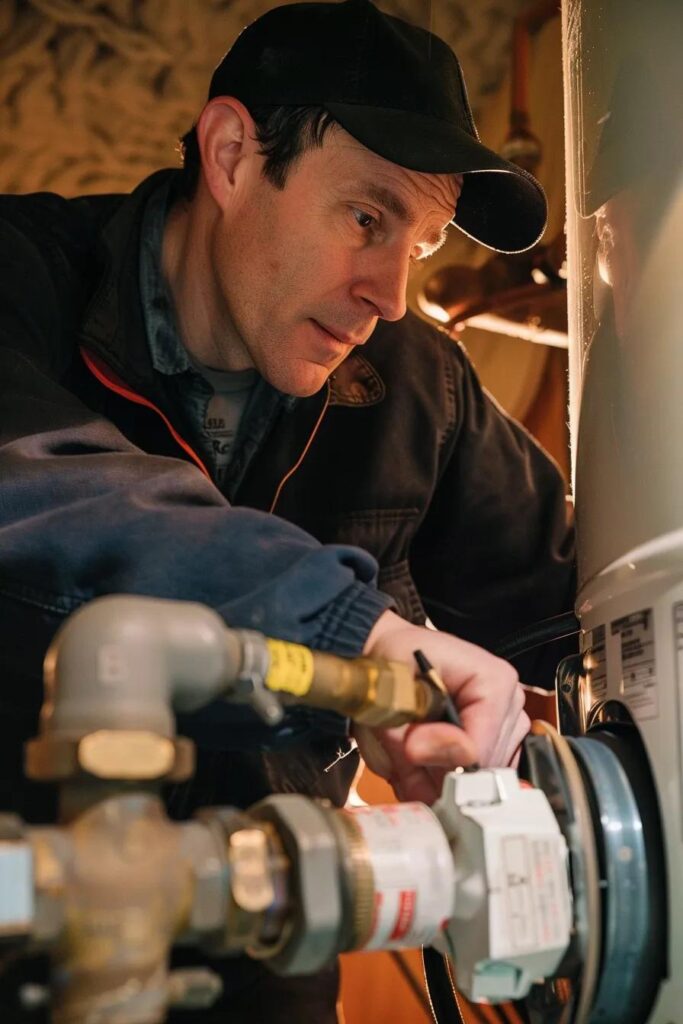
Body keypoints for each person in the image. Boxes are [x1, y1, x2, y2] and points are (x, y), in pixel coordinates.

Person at [0, 1, 573, 1019]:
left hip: (268, 971)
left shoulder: (413, 388)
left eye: (423, 243)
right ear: (229, 155)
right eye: (366, 217)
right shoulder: (23, 281)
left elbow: (571, 609)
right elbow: (54, 487)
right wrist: (358, 637)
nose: (393, 295)